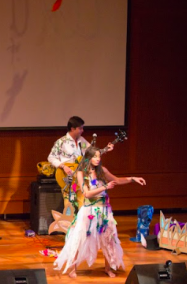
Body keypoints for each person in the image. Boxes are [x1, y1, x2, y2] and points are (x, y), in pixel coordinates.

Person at [53, 146, 146, 278]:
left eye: (99, 156)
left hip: (104, 210)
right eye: (95, 156)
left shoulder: (102, 171)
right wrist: (105, 187)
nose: (98, 159)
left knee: (108, 238)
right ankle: (73, 269)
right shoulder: (81, 173)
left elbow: (117, 180)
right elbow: (86, 193)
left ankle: (108, 268)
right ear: (88, 158)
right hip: (88, 210)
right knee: (79, 239)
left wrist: (132, 178)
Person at [48, 116, 114, 209]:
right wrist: (63, 166)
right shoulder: (61, 142)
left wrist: (106, 149)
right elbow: (51, 157)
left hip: (80, 174)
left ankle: (82, 221)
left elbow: (92, 153)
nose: (82, 130)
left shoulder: (81, 141)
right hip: (67, 174)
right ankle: (69, 221)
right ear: (72, 128)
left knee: (82, 199)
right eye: (80, 128)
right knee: (69, 201)